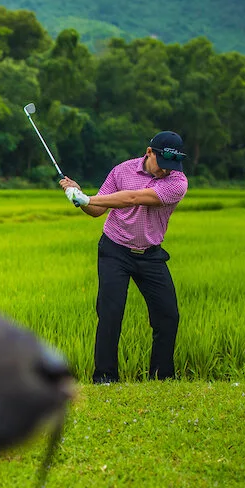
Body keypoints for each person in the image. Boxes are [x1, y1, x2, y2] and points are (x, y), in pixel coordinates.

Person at [59, 131, 189, 385]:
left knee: (168, 316)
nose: (165, 171)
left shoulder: (178, 182)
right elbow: (96, 210)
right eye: (162, 165)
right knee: (110, 313)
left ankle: (162, 378)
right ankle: (105, 378)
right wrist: (79, 197)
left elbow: (133, 198)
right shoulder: (122, 171)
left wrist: (87, 197)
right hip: (114, 250)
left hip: (150, 254)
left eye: (170, 167)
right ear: (149, 152)